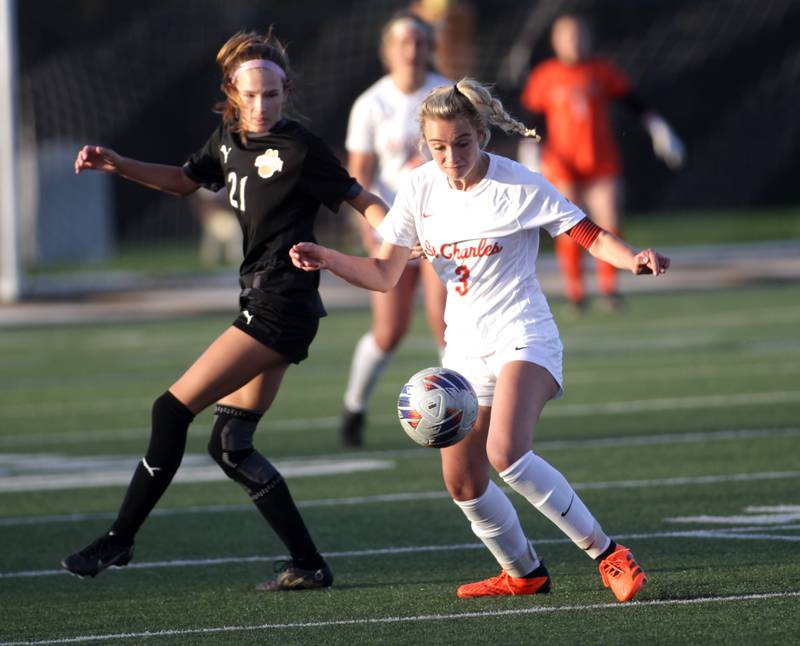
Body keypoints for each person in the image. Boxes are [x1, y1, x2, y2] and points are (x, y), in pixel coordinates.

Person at [290, 78, 669, 602]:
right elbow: (383, 274)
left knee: (506, 453)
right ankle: (524, 573)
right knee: (463, 482)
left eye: (462, 144)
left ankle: (608, 554)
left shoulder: (519, 184)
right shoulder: (420, 188)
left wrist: (633, 259)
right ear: (425, 144)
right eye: (439, 147)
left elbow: (586, 234)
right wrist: (329, 259)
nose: (451, 158)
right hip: (464, 350)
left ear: (482, 135)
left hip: (523, 335)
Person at [62, 27, 388, 591]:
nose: (263, 105)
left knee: (170, 412)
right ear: (233, 93)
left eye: (274, 94)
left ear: (287, 93)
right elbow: (185, 183)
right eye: (253, 94)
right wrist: (118, 163)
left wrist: (401, 245)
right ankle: (309, 564)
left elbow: (367, 201)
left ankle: (119, 538)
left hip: (281, 304)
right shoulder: (227, 140)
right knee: (231, 445)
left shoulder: (302, 148)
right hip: (264, 300)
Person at [520, 13, 684, 311]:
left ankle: (609, 288)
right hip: (562, 162)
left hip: (600, 162)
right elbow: (532, 121)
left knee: (609, 220)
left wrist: (658, 128)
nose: (574, 41)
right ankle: (576, 291)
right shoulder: (545, 76)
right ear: (556, 41)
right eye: (567, 35)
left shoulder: (601, 71)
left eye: (579, 35)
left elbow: (632, 101)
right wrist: (531, 155)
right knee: (569, 225)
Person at [339, 11, 448, 447]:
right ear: (387, 51)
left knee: (446, 325)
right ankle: (354, 406)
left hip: (443, 225)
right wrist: (371, 229)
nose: (411, 49)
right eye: (402, 42)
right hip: (395, 228)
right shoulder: (371, 104)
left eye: (419, 41)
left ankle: (462, 412)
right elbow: (358, 177)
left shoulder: (446, 94)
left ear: (429, 48)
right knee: (390, 330)